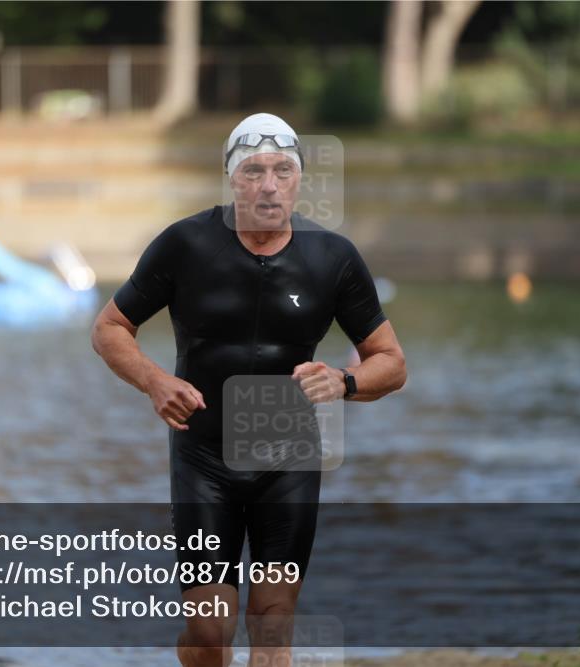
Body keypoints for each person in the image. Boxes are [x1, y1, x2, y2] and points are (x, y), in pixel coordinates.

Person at [91, 112, 407, 666]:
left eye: (283, 170)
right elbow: (110, 327)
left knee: (271, 623)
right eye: (254, 170)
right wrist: (154, 380)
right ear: (232, 178)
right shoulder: (185, 244)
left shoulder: (332, 258)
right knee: (212, 634)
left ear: (299, 178)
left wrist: (345, 381)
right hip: (204, 458)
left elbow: (392, 363)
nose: (268, 184)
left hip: (287, 459)